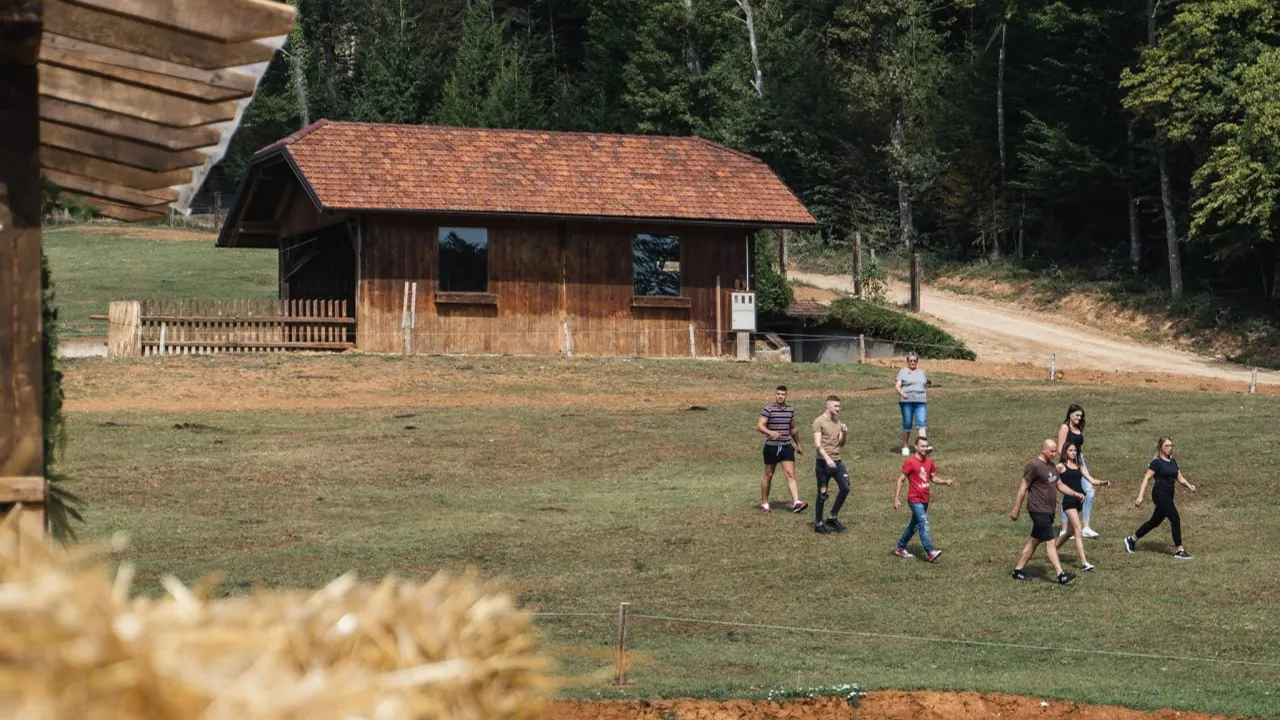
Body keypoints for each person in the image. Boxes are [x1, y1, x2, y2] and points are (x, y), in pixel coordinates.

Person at [1009, 439, 1082, 584]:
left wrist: (1074, 493)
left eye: (1056, 451)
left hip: (1048, 510)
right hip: (1038, 509)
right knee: (1050, 540)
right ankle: (1061, 575)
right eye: (1052, 451)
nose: (1054, 454)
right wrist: (1016, 509)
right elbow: (1023, 487)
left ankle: (1017, 570)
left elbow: (1059, 484)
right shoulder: (1034, 466)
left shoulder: (1052, 466)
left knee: (1034, 540)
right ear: (1043, 450)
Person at [1124, 437, 1197, 559]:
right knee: (1175, 518)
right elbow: (1146, 478)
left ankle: (1131, 539)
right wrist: (1140, 496)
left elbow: (1180, 478)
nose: (1169, 448)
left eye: (1171, 446)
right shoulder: (1156, 462)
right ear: (1160, 448)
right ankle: (1180, 550)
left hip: (1169, 495)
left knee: (1154, 521)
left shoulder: (1173, 462)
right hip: (1159, 494)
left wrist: (1189, 486)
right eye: (1167, 446)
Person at [893, 436, 952, 562]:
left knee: (914, 525)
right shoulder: (910, 462)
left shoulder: (929, 462)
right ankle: (930, 551)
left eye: (926, 446)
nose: (925, 448)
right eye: (922, 446)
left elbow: (933, 478)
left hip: (925, 500)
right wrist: (896, 499)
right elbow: (901, 479)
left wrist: (945, 481)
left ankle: (900, 547)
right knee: (923, 523)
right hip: (914, 500)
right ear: (916, 447)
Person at [1054, 443, 1111, 571]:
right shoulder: (1061, 466)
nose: (1073, 453)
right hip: (1069, 501)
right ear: (1065, 452)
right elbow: (1050, 477)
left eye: (1075, 450)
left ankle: (1052, 550)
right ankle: (1084, 562)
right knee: (1078, 529)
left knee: (1069, 532)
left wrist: (1103, 483)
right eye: (1070, 450)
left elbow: (1091, 480)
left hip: (1079, 501)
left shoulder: (1079, 466)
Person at [756, 385, 807, 514]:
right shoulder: (768, 409)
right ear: (775, 394)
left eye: (782, 394)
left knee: (790, 474)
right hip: (771, 447)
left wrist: (798, 444)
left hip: (786, 446)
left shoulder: (790, 410)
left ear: (786, 395)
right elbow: (760, 425)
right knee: (768, 475)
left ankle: (796, 502)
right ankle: (765, 503)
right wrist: (770, 432)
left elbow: (793, 429)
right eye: (778, 393)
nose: (780, 396)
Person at [1055, 405, 1099, 538]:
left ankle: (1085, 527)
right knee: (1069, 494)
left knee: (1089, 492)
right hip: (1068, 463)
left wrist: (1078, 461)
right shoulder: (1065, 427)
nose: (1079, 418)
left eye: (1081, 416)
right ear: (1070, 415)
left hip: (1080, 461)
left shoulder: (1077, 428)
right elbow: (1060, 448)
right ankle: (1064, 529)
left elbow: (1078, 447)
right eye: (1077, 415)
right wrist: (1068, 463)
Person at [811, 395, 851, 534]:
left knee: (845, 488)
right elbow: (817, 444)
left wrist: (844, 433)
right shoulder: (819, 421)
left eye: (839, 406)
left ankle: (832, 517)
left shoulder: (837, 422)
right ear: (828, 405)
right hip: (823, 462)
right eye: (835, 406)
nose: (838, 409)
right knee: (822, 493)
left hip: (837, 461)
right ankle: (818, 523)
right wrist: (827, 459)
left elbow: (841, 443)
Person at [894, 352, 929, 456]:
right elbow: (897, 385)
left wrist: (925, 396)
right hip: (907, 401)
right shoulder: (902, 372)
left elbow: (924, 386)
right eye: (910, 360)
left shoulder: (922, 372)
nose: (912, 362)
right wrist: (902, 393)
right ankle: (905, 446)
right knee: (907, 424)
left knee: (921, 423)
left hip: (920, 402)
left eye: (914, 360)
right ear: (907, 361)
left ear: (917, 361)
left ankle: (924, 447)